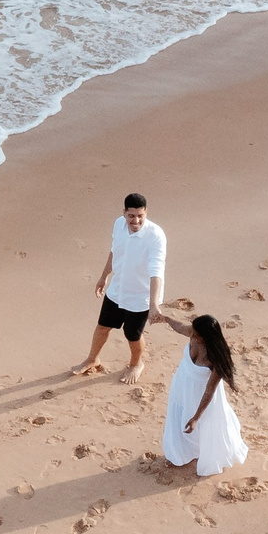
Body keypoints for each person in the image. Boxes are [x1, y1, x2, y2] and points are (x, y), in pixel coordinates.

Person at [73, 192, 166, 384]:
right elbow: (115, 251)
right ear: (124, 213)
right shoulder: (118, 225)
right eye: (131, 216)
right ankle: (92, 359)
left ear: (146, 212)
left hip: (140, 296)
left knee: (133, 334)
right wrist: (103, 276)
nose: (136, 220)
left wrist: (154, 304)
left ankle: (136, 364)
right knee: (102, 327)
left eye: (140, 215)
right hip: (117, 289)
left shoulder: (156, 236)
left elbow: (156, 272)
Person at [152, 310, 249, 476]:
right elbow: (180, 327)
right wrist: (166, 319)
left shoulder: (216, 358)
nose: (192, 335)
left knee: (202, 424)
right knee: (178, 418)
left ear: (206, 336)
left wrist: (197, 417)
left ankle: (198, 450)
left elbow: (210, 390)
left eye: (196, 334)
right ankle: (181, 453)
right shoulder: (193, 332)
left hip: (200, 395)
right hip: (182, 385)